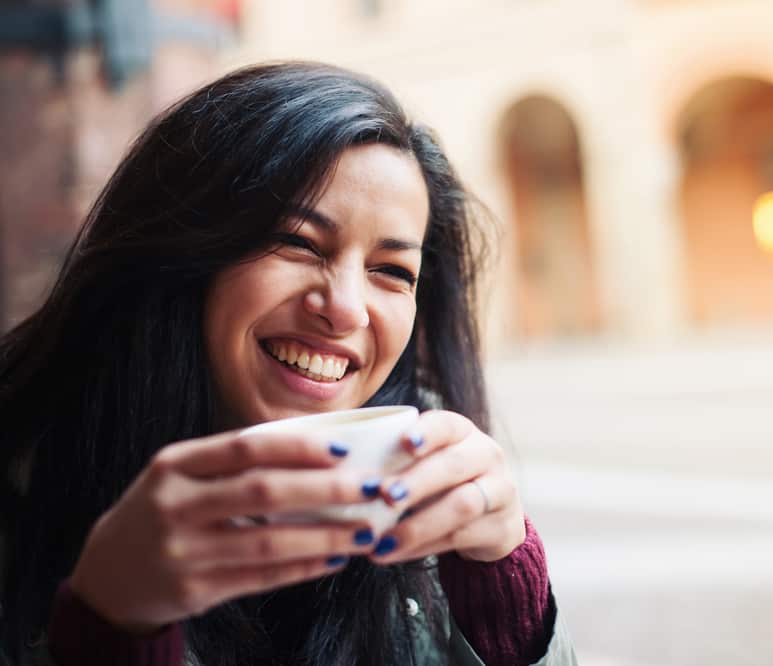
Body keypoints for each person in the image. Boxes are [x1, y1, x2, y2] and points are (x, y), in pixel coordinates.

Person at [0, 62, 576, 666]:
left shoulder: (427, 486)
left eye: (392, 271)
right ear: (180, 252)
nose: (346, 309)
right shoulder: (29, 490)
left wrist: (506, 598)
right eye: (298, 242)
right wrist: (110, 625)